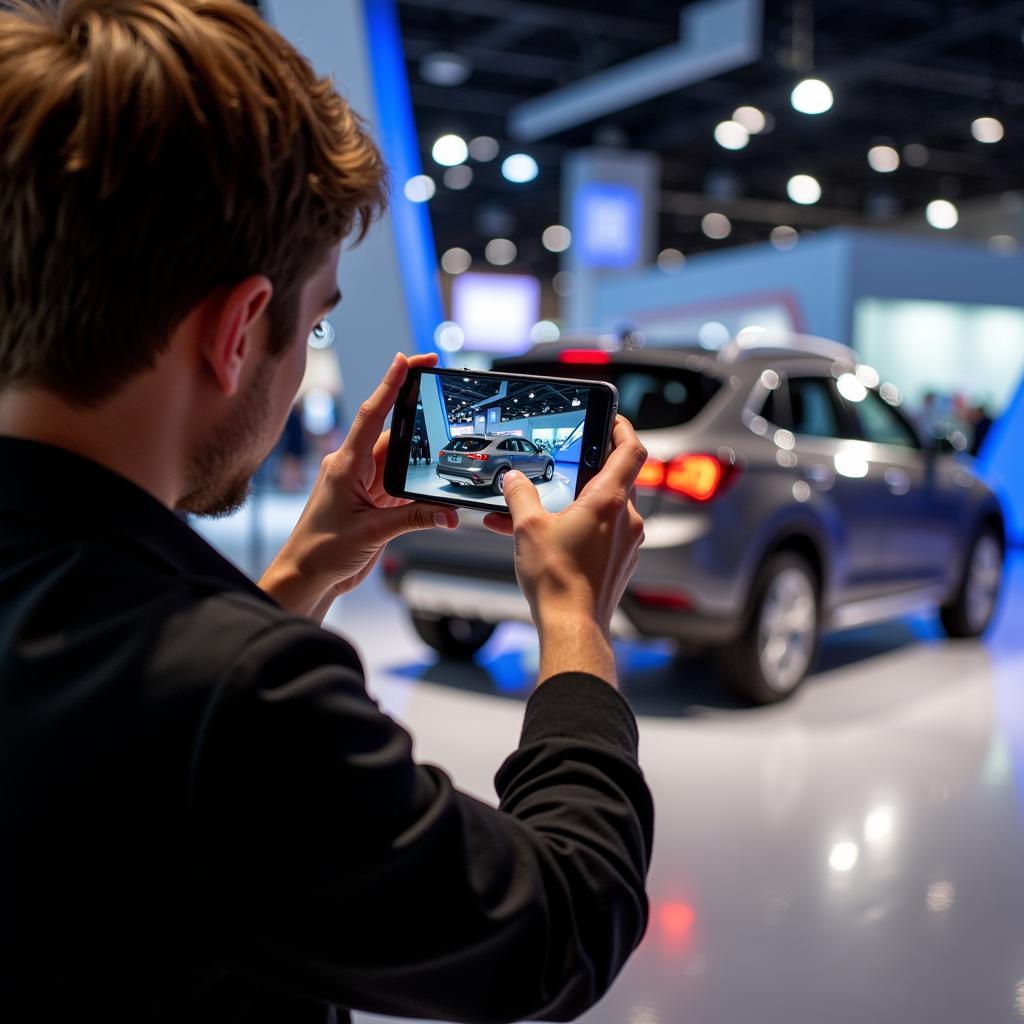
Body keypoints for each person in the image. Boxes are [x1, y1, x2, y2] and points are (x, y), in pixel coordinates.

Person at [0, 2, 653, 1022]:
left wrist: (303, 569)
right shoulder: (242, 702)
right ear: (240, 328)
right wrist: (573, 624)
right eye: (311, 321)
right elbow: (558, 926)